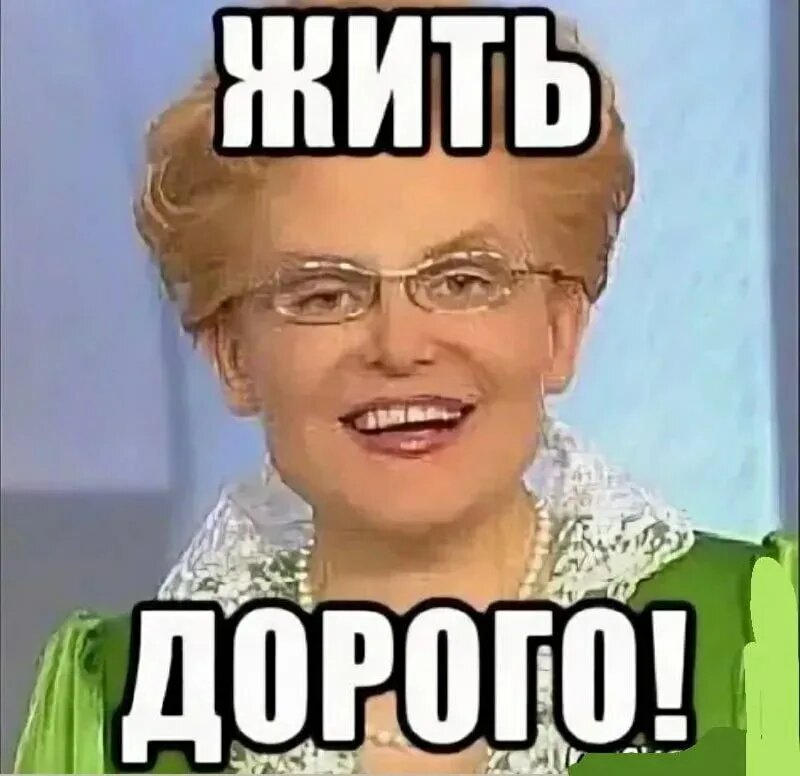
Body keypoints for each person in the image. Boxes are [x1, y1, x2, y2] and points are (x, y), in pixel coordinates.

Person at [13, 3, 797, 774]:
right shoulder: (113, 710)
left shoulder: (759, 643)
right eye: (324, 294)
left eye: (463, 281)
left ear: (561, 328)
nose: (399, 345)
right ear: (233, 357)